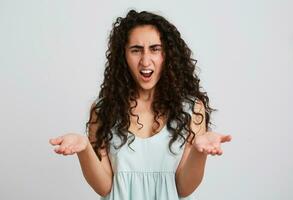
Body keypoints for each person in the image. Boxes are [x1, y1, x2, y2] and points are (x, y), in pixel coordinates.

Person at [49, 10, 232, 200]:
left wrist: (198, 152)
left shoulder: (191, 109)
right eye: (136, 50)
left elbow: (183, 188)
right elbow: (105, 187)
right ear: (123, 56)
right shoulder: (104, 110)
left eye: (155, 49)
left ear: (167, 54)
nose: (145, 60)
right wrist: (84, 148)